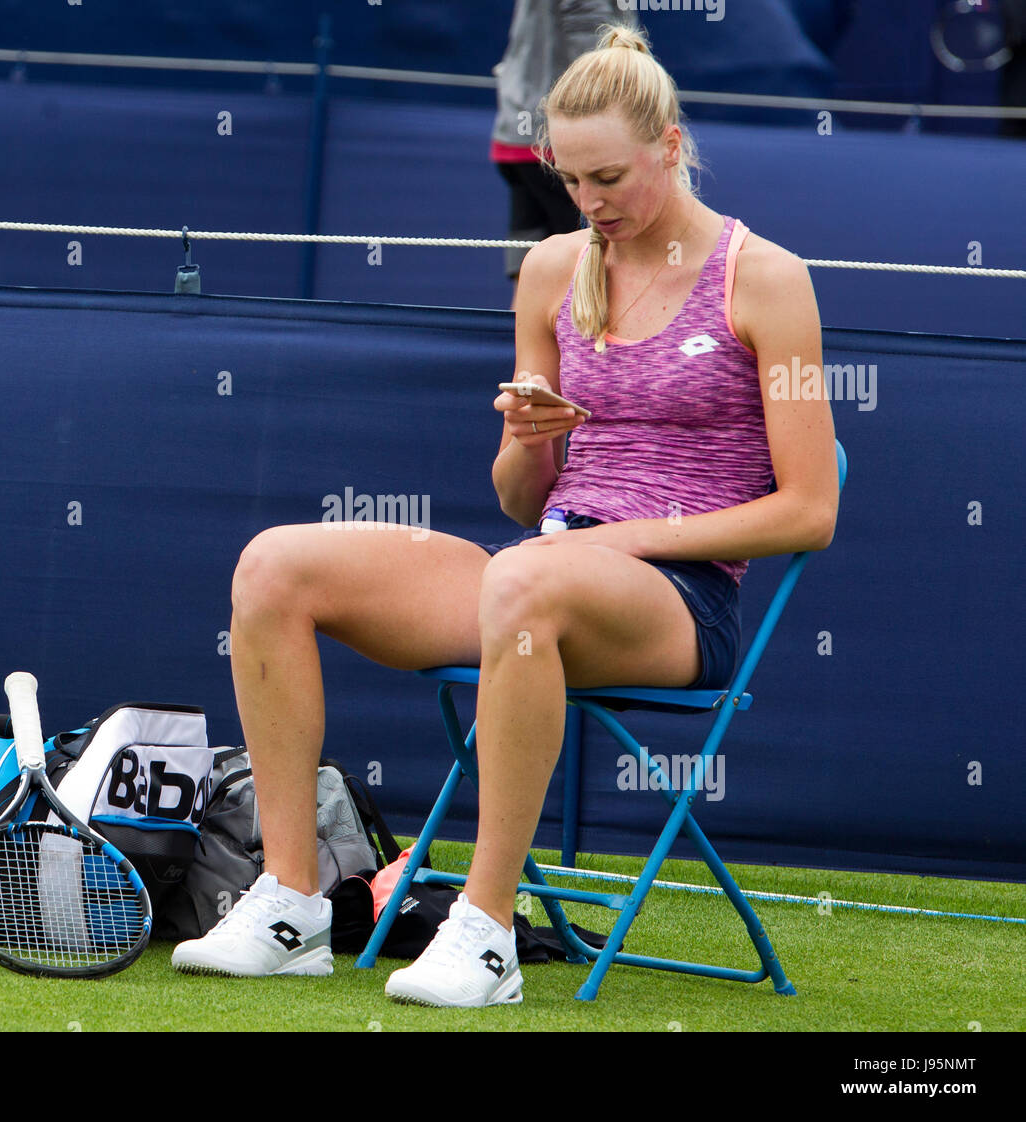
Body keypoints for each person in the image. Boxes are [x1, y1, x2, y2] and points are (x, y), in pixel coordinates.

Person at [171, 25, 839, 1007]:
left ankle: (485, 937)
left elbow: (809, 511)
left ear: (668, 143)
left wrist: (626, 538)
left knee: (528, 577)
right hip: (544, 571)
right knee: (274, 564)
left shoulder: (767, 279)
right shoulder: (552, 271)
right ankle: (291, 901)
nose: (589, 202)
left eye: (609, 176)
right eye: (568, 181)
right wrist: (530, 435)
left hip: (678, 603)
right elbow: (522, 502)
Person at [491, 0, 636, 307]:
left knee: (528, 268)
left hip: (518, 135)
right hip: (559, 145)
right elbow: (594, 48)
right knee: (592, 265)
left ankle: (521, 352)